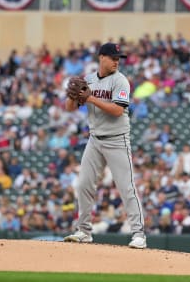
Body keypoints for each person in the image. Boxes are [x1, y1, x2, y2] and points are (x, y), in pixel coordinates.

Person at [63, 43, 146, 249]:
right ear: (102, 58)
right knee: (83, 184)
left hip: (117, 139)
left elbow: (117, 110)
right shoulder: (88, 80)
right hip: (95, 139)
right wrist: (73, 96)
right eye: (113, 57)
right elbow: (70, 108)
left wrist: (89, 97)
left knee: (126, 188)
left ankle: (138, 234)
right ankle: (83, 231)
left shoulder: (121, 81)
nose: (117, 61)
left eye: (119, 58)